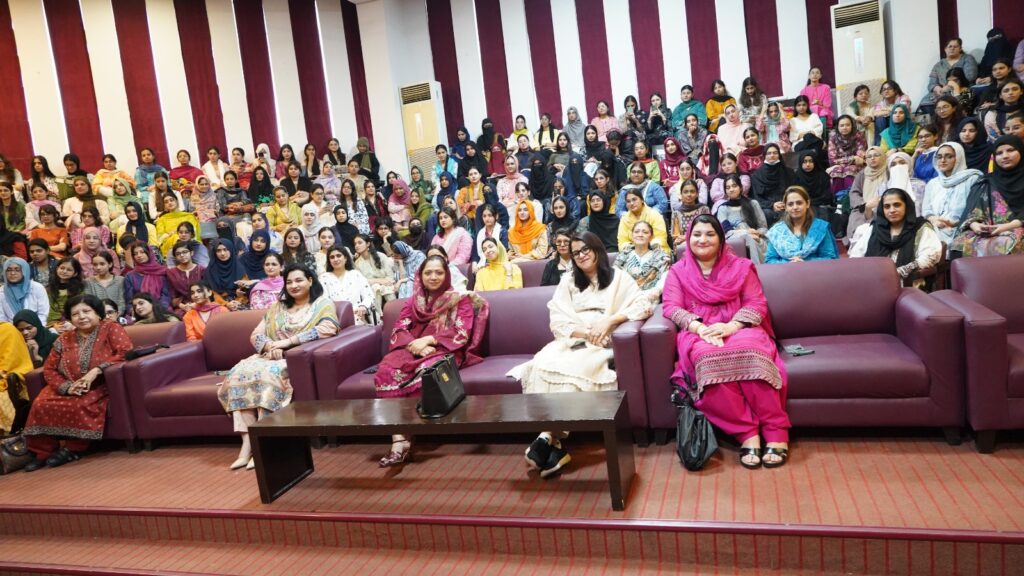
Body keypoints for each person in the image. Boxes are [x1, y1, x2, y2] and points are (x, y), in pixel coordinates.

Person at [508, 232, 651, 477]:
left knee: (577, 369)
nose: (581, 255)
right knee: (542, 364)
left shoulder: (619, 277)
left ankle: (547, 438)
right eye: (576, 253)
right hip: (575, 338)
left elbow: (643, 305)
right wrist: (586, 333)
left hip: (602, 343)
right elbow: (558, 318)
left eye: (585, 249)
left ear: (597, 249)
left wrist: (610, 321)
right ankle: (553, 442)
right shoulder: (568, 280)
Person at [663, 215, 791, 469]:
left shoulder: (742, 267)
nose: (703, 239)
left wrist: (731, 326)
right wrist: (701, 328)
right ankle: (747, 433)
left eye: (710, 234)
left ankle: (776, 431)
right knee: (708, 358)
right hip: (699, 330)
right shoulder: (678, 271)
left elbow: (756, 303)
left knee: (750, 352)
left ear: (721, 239)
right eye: (697, 234)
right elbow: (671, 307)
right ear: (688, 239)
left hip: (739, 326)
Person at [219, 264, 340, 470]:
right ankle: (247, 443)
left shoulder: (322, 304)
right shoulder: (278, 307)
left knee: (267, 376)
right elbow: (256, 335)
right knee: (238, 374)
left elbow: (328, 328)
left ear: (310, 281)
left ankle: (263, 443)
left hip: (294, 358)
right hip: (268, 355)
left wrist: (287, 343)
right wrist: (270, 346)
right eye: (289, 282)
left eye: (299, 280)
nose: (294, 285)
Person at [374, 256, 488, 466]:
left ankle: (408, 436)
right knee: (385, 371)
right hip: (413, 348)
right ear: (420, 276)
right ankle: (398, 438)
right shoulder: (413, 302)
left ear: (447, 275)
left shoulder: (459, 299)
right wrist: (415, 345)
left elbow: (462, 332)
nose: (433, 277)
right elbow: (400, 328)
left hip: (445, 348)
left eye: (439, 272)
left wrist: (428, 340)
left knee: (426, 373)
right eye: (428, 273)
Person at [22, 294, 133, 471]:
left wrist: (96, 371)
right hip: (69, 385)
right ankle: (42, 452)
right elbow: (49, 369)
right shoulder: (64, 338)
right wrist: (66, 387)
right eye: (75, 314)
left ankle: (73, 448)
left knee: (80, 404)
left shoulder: (111, 328)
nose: (81, 317)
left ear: (97, 313)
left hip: (100, 384)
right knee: (40, 403)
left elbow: (125, 352)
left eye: (86, 311)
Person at [850, 188, 942, 287]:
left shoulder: (920, 228)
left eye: (897, 205)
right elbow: (856, 256)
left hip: (908, 285)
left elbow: (930, 255)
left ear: (906, 206)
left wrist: (899, 272)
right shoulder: (875, 229)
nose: (892, 210)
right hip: (874, 283)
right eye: (887, 206)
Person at [951, 135, 1024, 257]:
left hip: (1017, 226)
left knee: (1010, 243)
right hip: (989, 229)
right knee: (958, 244)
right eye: (999, 153)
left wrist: (1007, 226)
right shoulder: (985, 181)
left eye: (1010, 150)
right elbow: (972, 210)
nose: (1005, 156)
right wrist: (975, 225)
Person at [923, 142, 983, 245]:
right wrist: (935, 220)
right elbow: (927, 210)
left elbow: (976, 209)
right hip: (936, 227)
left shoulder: (972, 178)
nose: (943, 160)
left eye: (949, 156)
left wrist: (955, 223)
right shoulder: (932, 183)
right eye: (939, 157)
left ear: (958, 158)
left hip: (965, 228)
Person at [765, 186, 839, 263]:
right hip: (785, 270)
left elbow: (829, 258)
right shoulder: (777, 231)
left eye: (799, 203)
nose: (795, 207)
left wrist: (805, 263)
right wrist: (789, 264)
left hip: (813, 270)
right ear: (786, 207)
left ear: (807, 204)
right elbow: (770, 260)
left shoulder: (820, 228)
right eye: (790, 204)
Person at [716, 175, 769, 263]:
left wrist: (757, 233)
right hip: (735, 241)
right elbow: (727, 232)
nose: (731, 189)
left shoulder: (753, 204)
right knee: (748, 238)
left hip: (756, 237)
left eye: (734, 186)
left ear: (740, 188)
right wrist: (747, 233)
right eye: (728, 188)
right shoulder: (723, 208)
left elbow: (763, 228)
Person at [614, 220, 671, 302]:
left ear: (651, 236)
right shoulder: (622, 257)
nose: (640, 235)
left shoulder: (661, 257)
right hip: (626, 299)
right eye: (636, 232)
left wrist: (655, 291)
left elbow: (664, 279)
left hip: (651, 299)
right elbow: (616, 279)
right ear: (632, 235)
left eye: (645, 232)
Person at [320, 245, 376, 324]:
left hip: (358, 317)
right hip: (335, 320)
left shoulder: (355, 274)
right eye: (332, 257)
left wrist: (363, 306)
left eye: (338, 256)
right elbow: (324, 301)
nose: (335, 259)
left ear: (345, 258)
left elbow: (369, 295)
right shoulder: (324, 278)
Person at [923, 38, 978, 109]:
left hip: (962, 91)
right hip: (943, 93)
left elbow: (971, 77)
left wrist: (953, 86)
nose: (952, 48)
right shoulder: (939, 65)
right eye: (950, 46)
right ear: (945, 49)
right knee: (925, 104)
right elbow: (931, 84)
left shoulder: (967, 59)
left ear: (960, 48)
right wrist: (937, 88)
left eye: (955, 46)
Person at [749, 144, 791, 229]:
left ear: (779, 155)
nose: (772, 155)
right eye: (769, 153)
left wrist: (786, 203)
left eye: (775, 153)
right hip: (767, 207)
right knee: (767, 213)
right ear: (764, 156)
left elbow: (793, 191)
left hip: (787, 204)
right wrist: (772, 205)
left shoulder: (789, 172)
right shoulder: (757, 175)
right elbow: (756, 197)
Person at [354, 233, 396, 311]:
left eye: (360, 243)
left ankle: (396, 313)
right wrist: (378, 281)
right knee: (375, 287)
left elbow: (390, 276)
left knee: (387, 289)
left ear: (368, 244)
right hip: (371, 288)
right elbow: (362, 282)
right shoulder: (357, 263)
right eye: (355, 244)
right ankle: (377, 316)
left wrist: (383, 282)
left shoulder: (381, 256)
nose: (356, 246)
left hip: (387, 283)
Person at [1, 257, 48, 323]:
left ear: (25, 271)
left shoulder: (37, 287)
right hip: (11, 327)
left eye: (17, 270)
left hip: (36, 326)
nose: (12, 273)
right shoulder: (2, 291)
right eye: (9, 270)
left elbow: (43, 314)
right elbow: (1, 317)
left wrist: (34, 327)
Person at [791, 150, 834, 224]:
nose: (808, 164)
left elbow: (827, 196)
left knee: (822, 213)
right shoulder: (796, 177)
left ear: (815, 162)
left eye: (811, 161)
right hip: (803, 205)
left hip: (821, 205)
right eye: (805, 162)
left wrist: (811, 202)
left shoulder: (823, 176)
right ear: (801, 163)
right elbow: (795, 196)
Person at [827, 115, 867, 193]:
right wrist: (852, 158)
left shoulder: (859, 136)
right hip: (839, 166)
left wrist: (843, 162)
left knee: (850, 169)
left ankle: (851, 196)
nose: (845, 128)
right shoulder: (833, 138)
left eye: (847, 125)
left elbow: (860, 157)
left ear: (852, 125)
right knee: (837, 171)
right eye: (842, 125)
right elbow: (832, 160)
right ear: (837, 127)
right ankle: (838, 198)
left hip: (856, 165)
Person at [204, 239, 247, 310]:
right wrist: (226, 304)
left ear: (231, 250)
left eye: (225, 249)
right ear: (214, 253)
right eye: (218, 251)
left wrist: (237, 302)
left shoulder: (239, 268)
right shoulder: (210, 271)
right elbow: (212, 293)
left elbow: (244, 290)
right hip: (218, 305)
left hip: (239, 303)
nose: (222, 253)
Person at [166, 241, 205, 316]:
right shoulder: (171, 273)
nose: (182, 255)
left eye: (185, 252)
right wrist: (182, 306)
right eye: (178, 254)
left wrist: (195, 304)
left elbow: (207, 291)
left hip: (201, 304)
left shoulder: (201, 270)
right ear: (175, 257)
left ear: (191, 253)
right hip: (181, 307)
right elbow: (171, 294)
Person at [670, 179, 712, 249]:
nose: (689, 194)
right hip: (683, 244)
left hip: (702, 241)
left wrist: (687, 237)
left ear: (697, 194)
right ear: (681, 194)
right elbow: (675, 236)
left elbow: (707, 230)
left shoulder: (704, 209)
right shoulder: (676, 213)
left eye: (692, 191)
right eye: (685, 192)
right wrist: (683, 239)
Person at [83, 251, 126, 317]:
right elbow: (90, 304)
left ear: (110, 264)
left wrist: (114, 316)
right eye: (95, 264)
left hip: (117, 317)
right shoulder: (88, 282)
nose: (98, 267)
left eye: (102, 264)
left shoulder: (120, 280)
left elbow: (122, 303)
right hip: (97, 318)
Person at [46, 258, 84, 329]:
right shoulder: (49, 289)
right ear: (57, 268)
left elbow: (80, 306)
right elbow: (50, 309)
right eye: (62, 268)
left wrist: (70, 322)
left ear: (75, 273)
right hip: (54, 322)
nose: (64, 271)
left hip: (74, 320)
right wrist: (55, 324)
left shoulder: (79, 289)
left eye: (69, 270)